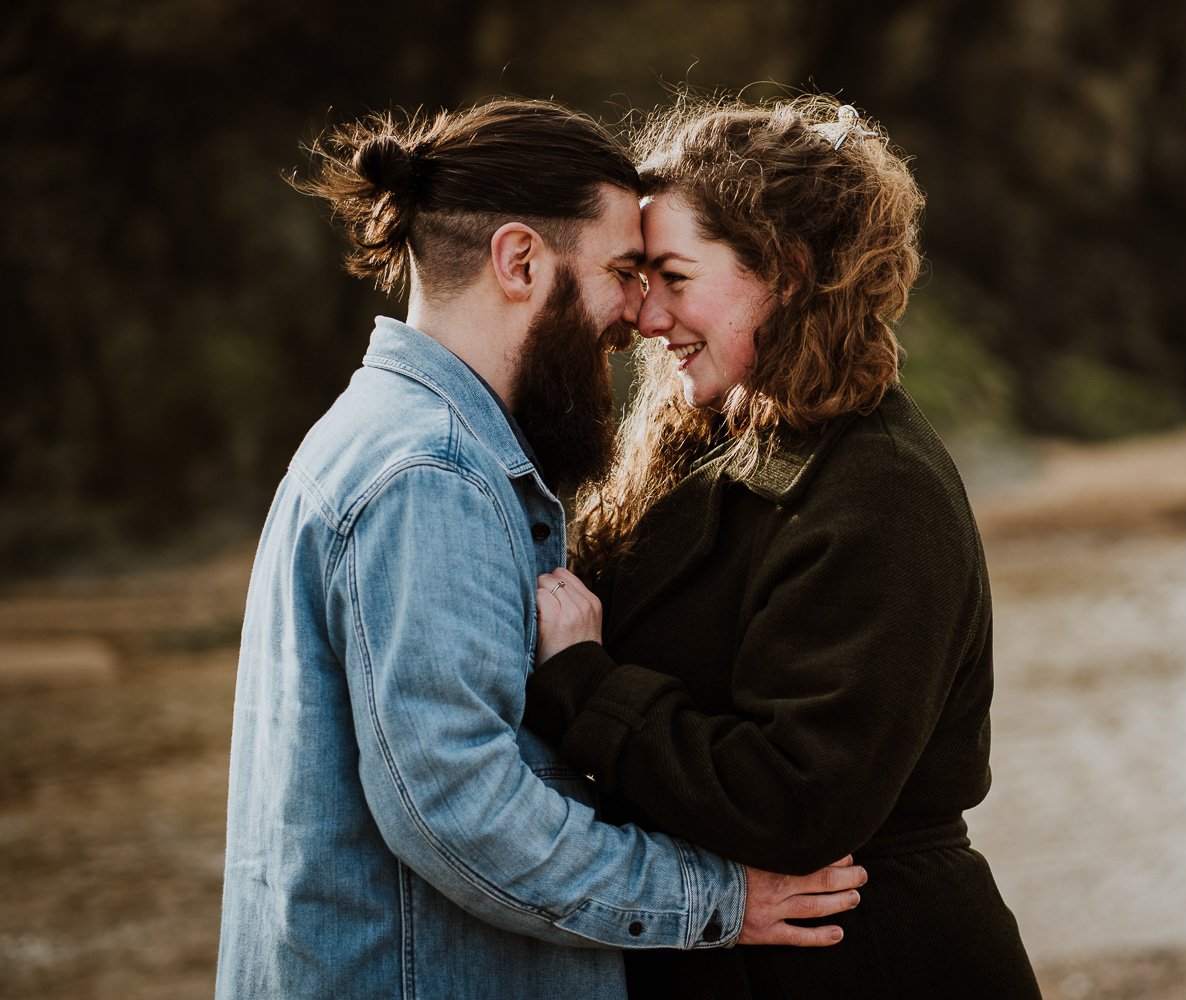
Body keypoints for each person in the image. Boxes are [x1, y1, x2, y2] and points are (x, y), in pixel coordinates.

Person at [215, 97, 867, 1000]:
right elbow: (460, 810)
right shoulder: (430, 476)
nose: (639, 313)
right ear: (520, 260)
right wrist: (716, 900)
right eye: (625, 271)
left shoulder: (389, 438)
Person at [524, 95, 1043, 999]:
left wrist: (584, 678)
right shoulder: (707, 435)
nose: (648, 318)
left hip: (874, 959)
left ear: (790, 272)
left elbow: (798, 796)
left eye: (676, 278)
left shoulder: (884, 490)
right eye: (642, 279)